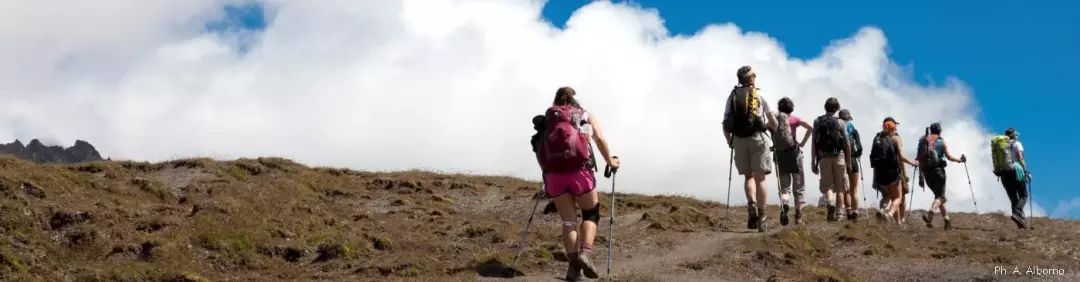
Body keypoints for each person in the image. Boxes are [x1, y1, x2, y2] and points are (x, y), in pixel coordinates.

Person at [539, 86, 620, 280]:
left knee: (568, 222)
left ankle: (574, 268)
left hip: (554, 176)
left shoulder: (549, 118)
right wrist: (611, 161)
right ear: (574, 99)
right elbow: (599, 139)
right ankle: (585, 253)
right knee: (590, 214)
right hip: (580, 173)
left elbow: (538, 145)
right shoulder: (584, 115)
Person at [723, 66, 778, 232]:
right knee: (761, 179)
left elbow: (725, 124)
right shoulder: (760, 95)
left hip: (739, 140)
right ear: (751, 78)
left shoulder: (732, 96)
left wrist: (730, 142)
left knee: (748, 176)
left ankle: (751, 202)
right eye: (754, 74)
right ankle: (762, 218)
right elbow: (773, 123)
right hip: (757, 138)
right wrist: (769, 128)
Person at [917, 122, 967, 230]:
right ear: (940, 131)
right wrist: (960, 160)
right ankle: (932, 210)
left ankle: (947, 222)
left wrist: (920, 176)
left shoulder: (923, 141)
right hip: (938, 172)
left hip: (926, 173)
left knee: (938, 196)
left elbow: (920, 160)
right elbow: (949, 157)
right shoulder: (941, 142)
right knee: (942, 197)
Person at [810, 98, 852, 222]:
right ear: (836, 109)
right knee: (840, 187)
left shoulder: (818, 121)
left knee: (827, 185)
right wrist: (849, 162)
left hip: (823, 157)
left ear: (825, 107)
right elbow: (847, 144)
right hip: (839, 155)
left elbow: (814, 143)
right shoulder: (841, 122)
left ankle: (830, 202)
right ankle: (839, 215)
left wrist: (813, 161)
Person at [773, 97, 813, 225]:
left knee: (784, 186)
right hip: (794, 153)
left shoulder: (774, 119)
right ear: (791, 108)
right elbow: (810, 128)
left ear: (779, 107)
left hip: (780, 154)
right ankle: (798, 216)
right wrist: (802, 143)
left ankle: (785, 203)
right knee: (799, 186)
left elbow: (765, 128)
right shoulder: (795, 119)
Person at [871, 117, 918, 224]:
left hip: (880, 174)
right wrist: (912, 163)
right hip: (893, 173)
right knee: (898, 198)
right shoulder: (896, 138)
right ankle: (890, 214)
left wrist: (875, 178)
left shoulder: (877, 139)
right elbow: (901, 157)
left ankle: (882, 210)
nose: (896, 129)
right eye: (895, 128)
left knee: (887, 196)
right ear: (892, 129)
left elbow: (874, 159)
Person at [997, 128, 1030, 229]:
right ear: (1014, 135)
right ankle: (1017, 212)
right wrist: (1026, 171)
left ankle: (1020, 223)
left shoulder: (1001, 145)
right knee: (1023, 195)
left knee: (1013, 198)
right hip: (1016, 170)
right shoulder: (1017, 144)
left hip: (1004, 173)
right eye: (1016, 135)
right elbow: (1020, 158)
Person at [838, 109, 863, 221]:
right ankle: (855, 212)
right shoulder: (854, 130)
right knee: (854, 189)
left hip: (841, 160)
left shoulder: (838, 130)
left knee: (845, 189)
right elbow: (860, 148)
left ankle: (848, 211)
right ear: (849, 118)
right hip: (853, 161)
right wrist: (856, 155)